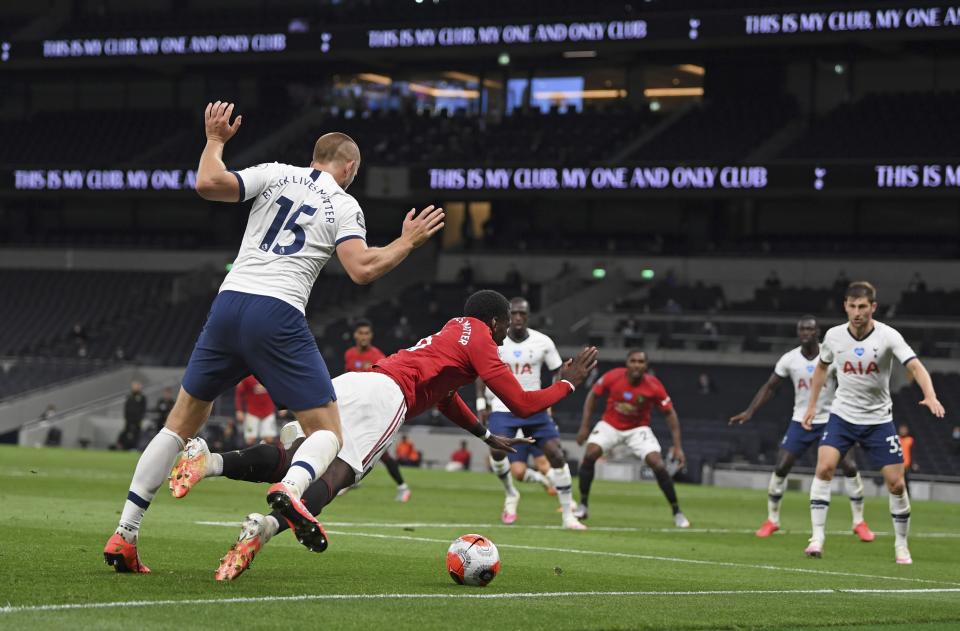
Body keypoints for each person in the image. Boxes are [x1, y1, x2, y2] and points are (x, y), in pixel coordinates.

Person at [103, 100, 445, 574]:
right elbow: (362, 270)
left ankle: (125, 533)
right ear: (349, 167)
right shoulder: (344, 204)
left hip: (228, 304)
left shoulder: (275, 173)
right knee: (326, 432)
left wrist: (216, 141)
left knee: (178, 425)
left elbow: (207, 183)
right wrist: (407, 242)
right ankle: (291, 488)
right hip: (277, 312)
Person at [166, 289, 597, 580]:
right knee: (340, 476)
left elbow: (446, 397)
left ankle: (213, 463)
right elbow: (522, 403)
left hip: (357, 382)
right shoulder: (482, 336)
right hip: (388, 399)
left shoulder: (454, 329)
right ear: (496, 320)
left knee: (294, 454)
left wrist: (484, 434)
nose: (504, 335)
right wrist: (569, 382)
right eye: (504, 325)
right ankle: (268, 525)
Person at [802, 281, 945, 563]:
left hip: (879, 420)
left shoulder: (888, 336)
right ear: (845, 306)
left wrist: (930, 395)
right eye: (852, 306)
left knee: (896, 484)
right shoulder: (833, 336)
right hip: (842, 416)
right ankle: (817, 537)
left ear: (873, 307)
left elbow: (915, 365)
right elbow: (821, 367)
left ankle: (901, 544)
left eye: (863, 307)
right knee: (825, 467)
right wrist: (812, 405)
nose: (857, 312)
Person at [730, 316, 874, 541]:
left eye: (810, 329)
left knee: (849, 465)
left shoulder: (832, 356)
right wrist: (750, 412)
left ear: (818, 332)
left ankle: (859, 522)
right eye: (802, 329)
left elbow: (851, 384)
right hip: (801, 421)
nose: (806, 332)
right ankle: (772, 520)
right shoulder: (789, 359)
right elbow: (770, 387)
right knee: (781, 466)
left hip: (831, 420)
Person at [475, 297, 580, 528]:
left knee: (556, 454)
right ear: (507, 316)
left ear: (529, 315)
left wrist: (551, 398)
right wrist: (482, 404)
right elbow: (482, 373)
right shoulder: (495, 340)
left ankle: (568, 516)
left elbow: (557, 371)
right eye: (514, 314)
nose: (518, 318)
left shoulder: (543, 342)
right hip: (502, 407)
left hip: (535, 407)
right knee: (498, 456)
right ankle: (511, 493)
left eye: (523, 314)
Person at [575, 350, 690, 528]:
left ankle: (677, 512)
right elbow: (593, 395)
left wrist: (677, 446)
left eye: (641, 362)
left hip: (638, 429)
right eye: (633, 361)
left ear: (646, 365)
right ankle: (583, 504)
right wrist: (584, 426)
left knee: (658, 465)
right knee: (590, 455)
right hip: (610, 425)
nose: (637, 364)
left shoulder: (654, 386)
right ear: (627, 363)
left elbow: (670, 414)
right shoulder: (613, 376)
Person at [343, 320, 410, 501]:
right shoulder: (349, 354)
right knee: (348, 444)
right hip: (355, 407)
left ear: (371, 336)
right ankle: (352, 480)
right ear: (355, 335)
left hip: (372, 409)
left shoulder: (377, 355)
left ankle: (402, 487)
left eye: (367, 333)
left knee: (382, 453)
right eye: (360, 333)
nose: (364, 337)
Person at [234, 375, 277, 446]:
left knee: (269, 438)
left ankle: (267, 456)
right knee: (250, 439)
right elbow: (239, 393)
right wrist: (239, 410)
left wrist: (283, 405)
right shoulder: (248, 377)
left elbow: (279, 390)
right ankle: (250, 457)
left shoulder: (270, 374)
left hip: (268, 411)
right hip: (252, 412)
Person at [116, 381, 147, 450]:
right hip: (129, 420)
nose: (136, 387)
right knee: (127, 433)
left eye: (137, 385)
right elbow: (126, 408)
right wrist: (126, 417)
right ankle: (125, 447)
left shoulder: (142, 397)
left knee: (137, 434)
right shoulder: (129, 396)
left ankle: (135, 448)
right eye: (135, 385)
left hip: (137, 420)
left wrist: (140, 418)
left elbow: (143, 409)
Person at [898, 424, 916, 494]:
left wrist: (913, 463)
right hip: (897, 464)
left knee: (905, 482)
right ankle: (898, 495)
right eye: (901, 430)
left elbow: (913, 452)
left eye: (904, 430)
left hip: (906, 465)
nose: (902, 431)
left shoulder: (910, 440)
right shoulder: (896, 439)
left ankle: (907, 496)